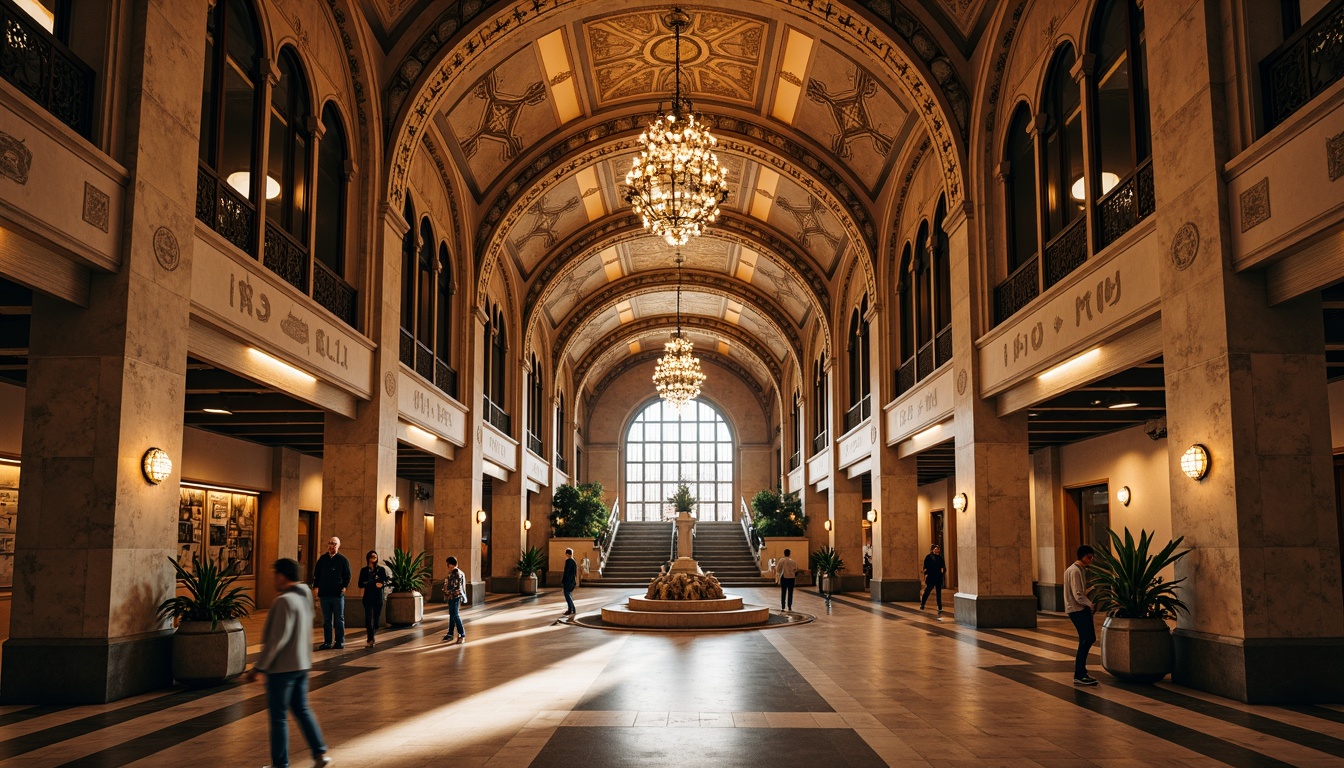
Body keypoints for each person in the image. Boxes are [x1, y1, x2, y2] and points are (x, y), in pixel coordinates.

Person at [245, 558, 332, 768]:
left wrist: (259, 667)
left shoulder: (283, 601)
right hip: (301, 664)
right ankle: (320, 753)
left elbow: (277, 638)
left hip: (282, 669)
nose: (273, 579)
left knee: (278, 717)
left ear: (282, 576)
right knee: (302, 709)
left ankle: (280, 763)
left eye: (275, 574)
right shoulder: (305, 597)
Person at [1065, 544, 1099, 686]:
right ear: (1083, 556)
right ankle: (1080, 674)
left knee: (1087, 639)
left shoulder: (1077, 570)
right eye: (1089, 556)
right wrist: (1089, 604)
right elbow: (1078, 593)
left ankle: (1081, 672)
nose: (1091, 559)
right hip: (1078, 609)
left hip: (1078, 608)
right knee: (1087, 639)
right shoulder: (1075, 571)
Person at [312, 537, 351, 650]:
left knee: (339, 619)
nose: (331, 546)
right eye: (330, 543)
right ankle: (327, 642)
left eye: (334, 544)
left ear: (338, 546)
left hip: (337, 595)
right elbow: (316, 575)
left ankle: (339, 642)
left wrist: (344, 587)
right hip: (324, 594)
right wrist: (316, 588)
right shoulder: (322, 559)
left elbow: (347, 576)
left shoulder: (343, 560)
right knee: (327, 620)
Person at [357, 550, 389, 648]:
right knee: (368, 618)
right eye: (371, 557)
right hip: (367, 597)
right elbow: (360, 584)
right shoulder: (364, 571)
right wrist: (372, 583)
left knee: (375, 619)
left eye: (375, 557)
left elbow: (385, 582)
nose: (373, 559)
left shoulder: (381, 570)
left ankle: (372, 635)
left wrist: (381, 584)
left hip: (378, 597)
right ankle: (370, 638)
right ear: (368, 558)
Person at [442, 555, 466, 643]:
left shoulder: (456, 573)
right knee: (452, 615)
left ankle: (461, 634)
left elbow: (457, 587)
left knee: (455, 615)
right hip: (453, 596)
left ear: (450, 564)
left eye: (447, 564)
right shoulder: (456, 572)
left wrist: (448, 592)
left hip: (455, 597)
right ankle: (450, 634)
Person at [919, 544, 946, 614]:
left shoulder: (940, 558)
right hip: (931, 577)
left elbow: (943, 567)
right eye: (936, 549)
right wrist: (926, 574)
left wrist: (942, 573)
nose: (937, 550)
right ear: (932, 550)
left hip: (938, 577)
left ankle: (939, 606)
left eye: (938, 549)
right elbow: (925, 567)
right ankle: (923, 603)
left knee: (939, 592)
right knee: (928, 590)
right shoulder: (928, 557)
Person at [561, 548, 578, 615]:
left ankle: (570, 609)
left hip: (568, 581)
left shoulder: (568, 561)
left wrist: (563, 580)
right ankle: (572, 609)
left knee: (567, 595)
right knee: (569, 594)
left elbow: (566, 572)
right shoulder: (574, 561)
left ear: (567, 554)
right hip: (572, 581)